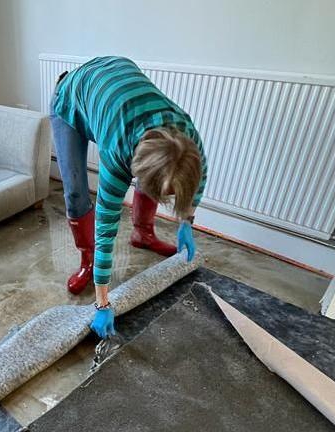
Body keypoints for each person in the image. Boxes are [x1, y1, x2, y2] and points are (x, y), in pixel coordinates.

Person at [50, 56, 208, 339]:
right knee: (75, 191)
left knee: (158, 174)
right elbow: (106, 231)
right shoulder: (116, 154)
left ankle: (143, 234)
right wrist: (102, 302)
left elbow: (200, 178)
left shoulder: (188, 141)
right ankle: (86, 259)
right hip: (72, 99)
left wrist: (187, 222)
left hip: (115, 89)